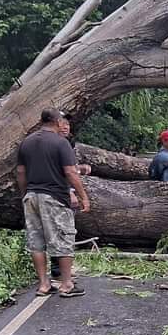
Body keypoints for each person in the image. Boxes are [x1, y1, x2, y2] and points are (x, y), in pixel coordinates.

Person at [16, 108, 90, 297]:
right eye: (62, 122)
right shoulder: (60, 143)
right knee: (64, 238)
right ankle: (66, 284)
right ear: (57, 122)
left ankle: (43, 284)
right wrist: (83, 196)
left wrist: (25, 193)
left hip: (32, 196)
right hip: (55, 197)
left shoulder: (27, 142)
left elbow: (21, 173)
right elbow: (71, 172)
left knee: (36, 242)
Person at [51, 114, 91, 279]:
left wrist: (80, 168)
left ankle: (60, 270)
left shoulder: (67, 143)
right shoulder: (54, 144)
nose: (66, 127)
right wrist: (71, 192)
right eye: (62, 123)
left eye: (68, 123)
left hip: (56, 193)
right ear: (55, 124)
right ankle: (59, 271)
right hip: (57, 194)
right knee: (61, 232)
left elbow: (69, 168)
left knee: (63, 232)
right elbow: (58, 172)